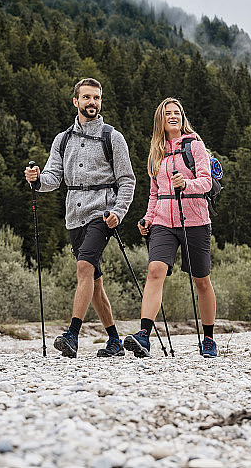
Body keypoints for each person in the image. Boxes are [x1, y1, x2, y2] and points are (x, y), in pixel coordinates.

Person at [24, 78, 135, 358]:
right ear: (76, 101)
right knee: (95, 281)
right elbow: (53, 178)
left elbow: (127, 181)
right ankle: (114, 341)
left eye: (96, 98)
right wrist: (37, 180)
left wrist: (118, 213)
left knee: (84, 267)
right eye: (86, 98)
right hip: (74, 215)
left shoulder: (113, 137)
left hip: (103, 212)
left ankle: (72, 335)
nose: (92, 103)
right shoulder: (62, 140)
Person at [124, 97, 218, 358]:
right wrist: (147, 219)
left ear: (182, 116)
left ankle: (209, 338)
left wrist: (187, 185)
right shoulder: (156, 151)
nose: (173, 116)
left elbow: (207, 182)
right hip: (164, 221)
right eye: (168, 114)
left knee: (201, 281)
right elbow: (154, 193)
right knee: (155, 271)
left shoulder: (195, 146)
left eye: (177, 113)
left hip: (195, 219)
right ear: (161, 120)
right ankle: (144, 336)